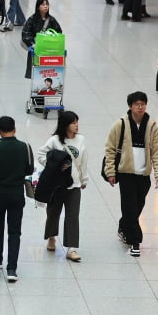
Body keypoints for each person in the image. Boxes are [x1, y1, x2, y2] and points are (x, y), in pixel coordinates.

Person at [104, 91, 158, 257]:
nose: (140, 107)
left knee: (137, 206)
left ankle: (123, 227)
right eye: (137, 104)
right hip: (126, 174)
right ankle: (135, 242)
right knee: (129, 207)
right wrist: (110, 171)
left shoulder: (152, 127)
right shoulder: (120, 125)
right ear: (130, 106)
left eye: (143, 104)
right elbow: (110, 150)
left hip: (143, 175)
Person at [38, 110, 89, 263]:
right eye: (73, 122)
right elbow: (41, 154)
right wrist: (53, 166)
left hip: (74, 184)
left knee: (73, 216)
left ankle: (71, 248)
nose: (76, 125)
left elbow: (84, 159)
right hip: (57, 185)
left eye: (77, 122)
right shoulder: (54, 140)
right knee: (53, 212)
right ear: (65, 125)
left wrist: (84, 179)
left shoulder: (81, 140)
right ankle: (51, 237)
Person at [0, 116, 31, 281]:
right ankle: (12, 269)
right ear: (15, 128)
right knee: (15, 231)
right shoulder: (25, 147)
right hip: (17, 193)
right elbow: (29, 169)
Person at [19, 0, 62, 76]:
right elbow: (25, 33)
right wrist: (32, 44)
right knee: (35, 72)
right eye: (43, 4)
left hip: (48, 51)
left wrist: (50, 39)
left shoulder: (52, 20)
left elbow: (58, 32)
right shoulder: (32, 19)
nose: (46, 6)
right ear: (38, 7)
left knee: (47, 72)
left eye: (47, 4)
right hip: (35, 50)